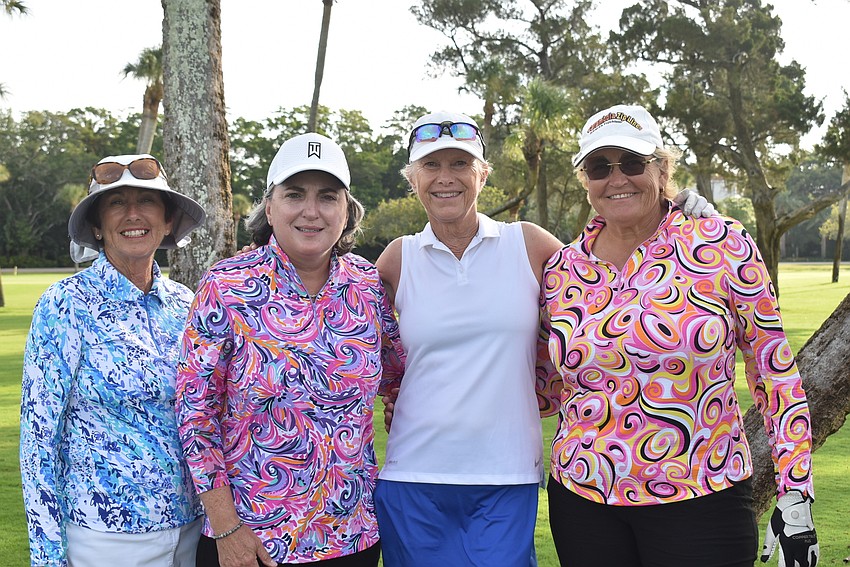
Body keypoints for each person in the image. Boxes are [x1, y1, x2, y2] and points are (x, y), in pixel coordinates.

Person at [373, 110, 714, 566]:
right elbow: (351, 342)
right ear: (413, 178)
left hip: (506, 471)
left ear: (483, 173)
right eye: (431, 166)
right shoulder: (398, 257)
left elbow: (619, 278)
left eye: (460, 164)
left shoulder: (528, 244)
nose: (445, 178)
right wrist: (391, 392)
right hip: (411, 473)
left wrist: (681, 217)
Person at [537, 104, 819, 567]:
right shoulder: (563, 269)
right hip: (582, 499)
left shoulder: (722, 244)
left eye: (632, 163)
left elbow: (774, 373)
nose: (617, 178)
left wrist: (795, 490)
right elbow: (545, 383)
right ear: (585, 179)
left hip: (702, 496)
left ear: (662, 168)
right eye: (599, 167)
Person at [176, 132, 405, 567]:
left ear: (347, 211)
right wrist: (226, 527)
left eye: (328, 196)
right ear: (269, 206)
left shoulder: (367, 285)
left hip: (350, 538)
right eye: (295, 194)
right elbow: (195, 416)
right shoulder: (226, 286)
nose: (311, 211)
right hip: (250, 541)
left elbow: (399, 376)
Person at [20, 153, 207, 566]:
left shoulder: (186, 303)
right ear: (97, 225)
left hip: (191, 531)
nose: (133, 214)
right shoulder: (65, 306)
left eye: (148, 201)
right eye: (116, 202)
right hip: (105, 541)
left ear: (169, 220)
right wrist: (48, 556)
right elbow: (38, 442)